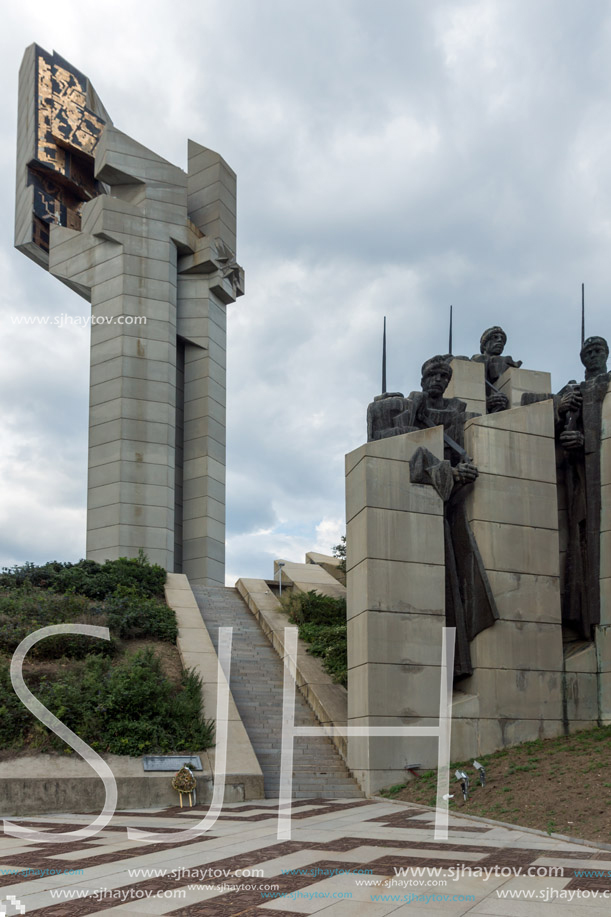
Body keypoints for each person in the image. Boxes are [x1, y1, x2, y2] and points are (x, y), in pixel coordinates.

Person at [368, 356, 498, 678]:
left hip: (449, 508)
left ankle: (454, 665)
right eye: (432, 374)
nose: (438, 380)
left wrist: (461, 472)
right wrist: (451, 472)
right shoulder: (408, 411)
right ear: (423, 378)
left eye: (444, 375)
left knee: (453, 589)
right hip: (416, 515)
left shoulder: (458, 413)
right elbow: (401, 456)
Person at [555, 336, 610, 639]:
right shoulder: (575, 390)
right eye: (588, 352)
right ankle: (586, 623)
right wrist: (560, 413)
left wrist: (587, 444)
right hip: (580, 480)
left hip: (601, 476)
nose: (593, 356)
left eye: (598, 350)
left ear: (607, 353)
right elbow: (558, 425)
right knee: (582, 542)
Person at [472, 326, 522, 413]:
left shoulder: (506, 362)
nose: (500, 341)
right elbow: (471, 389)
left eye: (502, 339)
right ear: (484, 345)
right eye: (495, 337)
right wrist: (486, 401)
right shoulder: (478, 360)